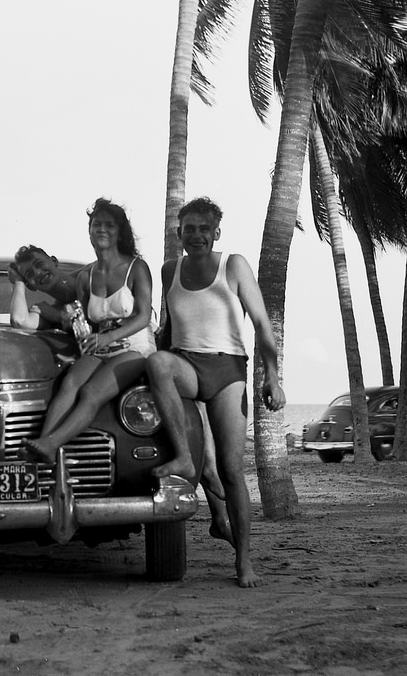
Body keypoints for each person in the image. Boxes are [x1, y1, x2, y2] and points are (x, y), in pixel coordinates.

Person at [146, 197, 285, 588]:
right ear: (179, 233)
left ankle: (243, 560)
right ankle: (183, 459)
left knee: (229, 469)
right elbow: (167, 330)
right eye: (189, 229)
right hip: (186, 365)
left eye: (204, 229)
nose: (196, 236)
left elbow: (261, 323)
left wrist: (272, 377)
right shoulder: (170, 269)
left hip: (227, 371)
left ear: (216, 232)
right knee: (157, 364)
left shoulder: (234, 266)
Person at [21, 198, 156, 463]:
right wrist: (57, 317)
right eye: (96, 225)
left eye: (109, 225)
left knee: (92, 392)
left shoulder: (136, 268)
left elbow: (142, 317)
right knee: (70, 383)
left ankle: (52, 444)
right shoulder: (86, 277)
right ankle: (42, 445)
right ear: (90, 231)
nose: (101, 229)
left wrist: (108, 337)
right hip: (101, 347)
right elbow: (86, 323)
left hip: (135, 348)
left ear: (120, 232)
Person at [7, 245, 81, 330]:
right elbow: (20, 321)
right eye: (30, 274)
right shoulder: (50, 311)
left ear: (54, 261)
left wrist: (59, 316)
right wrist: (18, 281)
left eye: (39, 264)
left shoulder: (90, 276)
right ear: (31, 287)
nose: (37, 273)